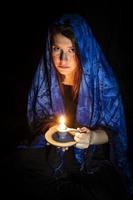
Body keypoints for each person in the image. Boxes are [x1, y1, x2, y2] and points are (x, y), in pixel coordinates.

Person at [1, 13, 133, 199]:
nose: (62, 59)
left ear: (83, 49)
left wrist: (92, 137)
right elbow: (41, 118)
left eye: (71, 50)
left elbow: (114, 131)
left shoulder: (103, 83)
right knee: (12, 165)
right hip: (53, 151)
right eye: (56, 49)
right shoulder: (47, 76)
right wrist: (51, 129)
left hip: (91, 155)